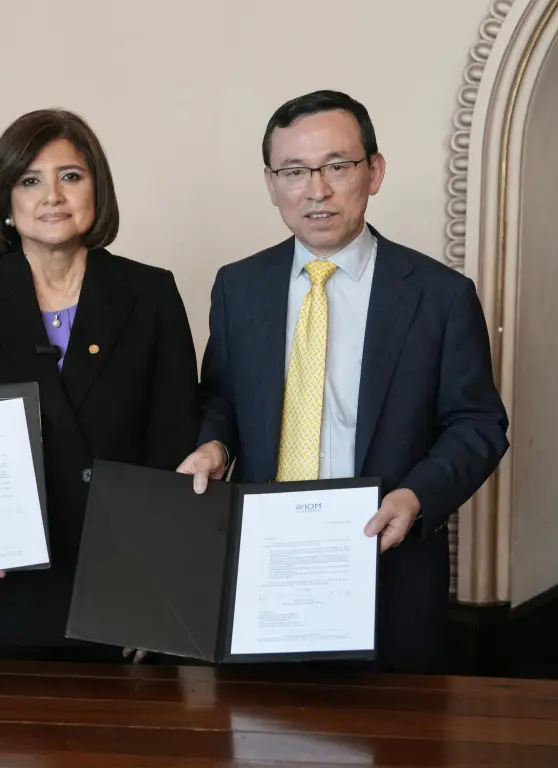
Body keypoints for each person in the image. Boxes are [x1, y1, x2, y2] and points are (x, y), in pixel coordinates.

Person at [177, 90, 509, 674]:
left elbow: (478, 423)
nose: (317, 189)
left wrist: (416, 497)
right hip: (263, 571)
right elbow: (221, 397)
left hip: (387, 566)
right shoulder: (239, 287)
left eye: (337, 166)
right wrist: (214, 445)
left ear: (373, 171)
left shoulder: (439, 296)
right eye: (295, 171)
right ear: (271, 183)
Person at [0, 108, 199, 662]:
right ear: (6, 201)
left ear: (97, 190)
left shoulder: (151, 293)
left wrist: (158, 598)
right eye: (29, 180)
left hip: (118, 595)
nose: (52, 196)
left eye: (71, 176)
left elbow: (173, 450)